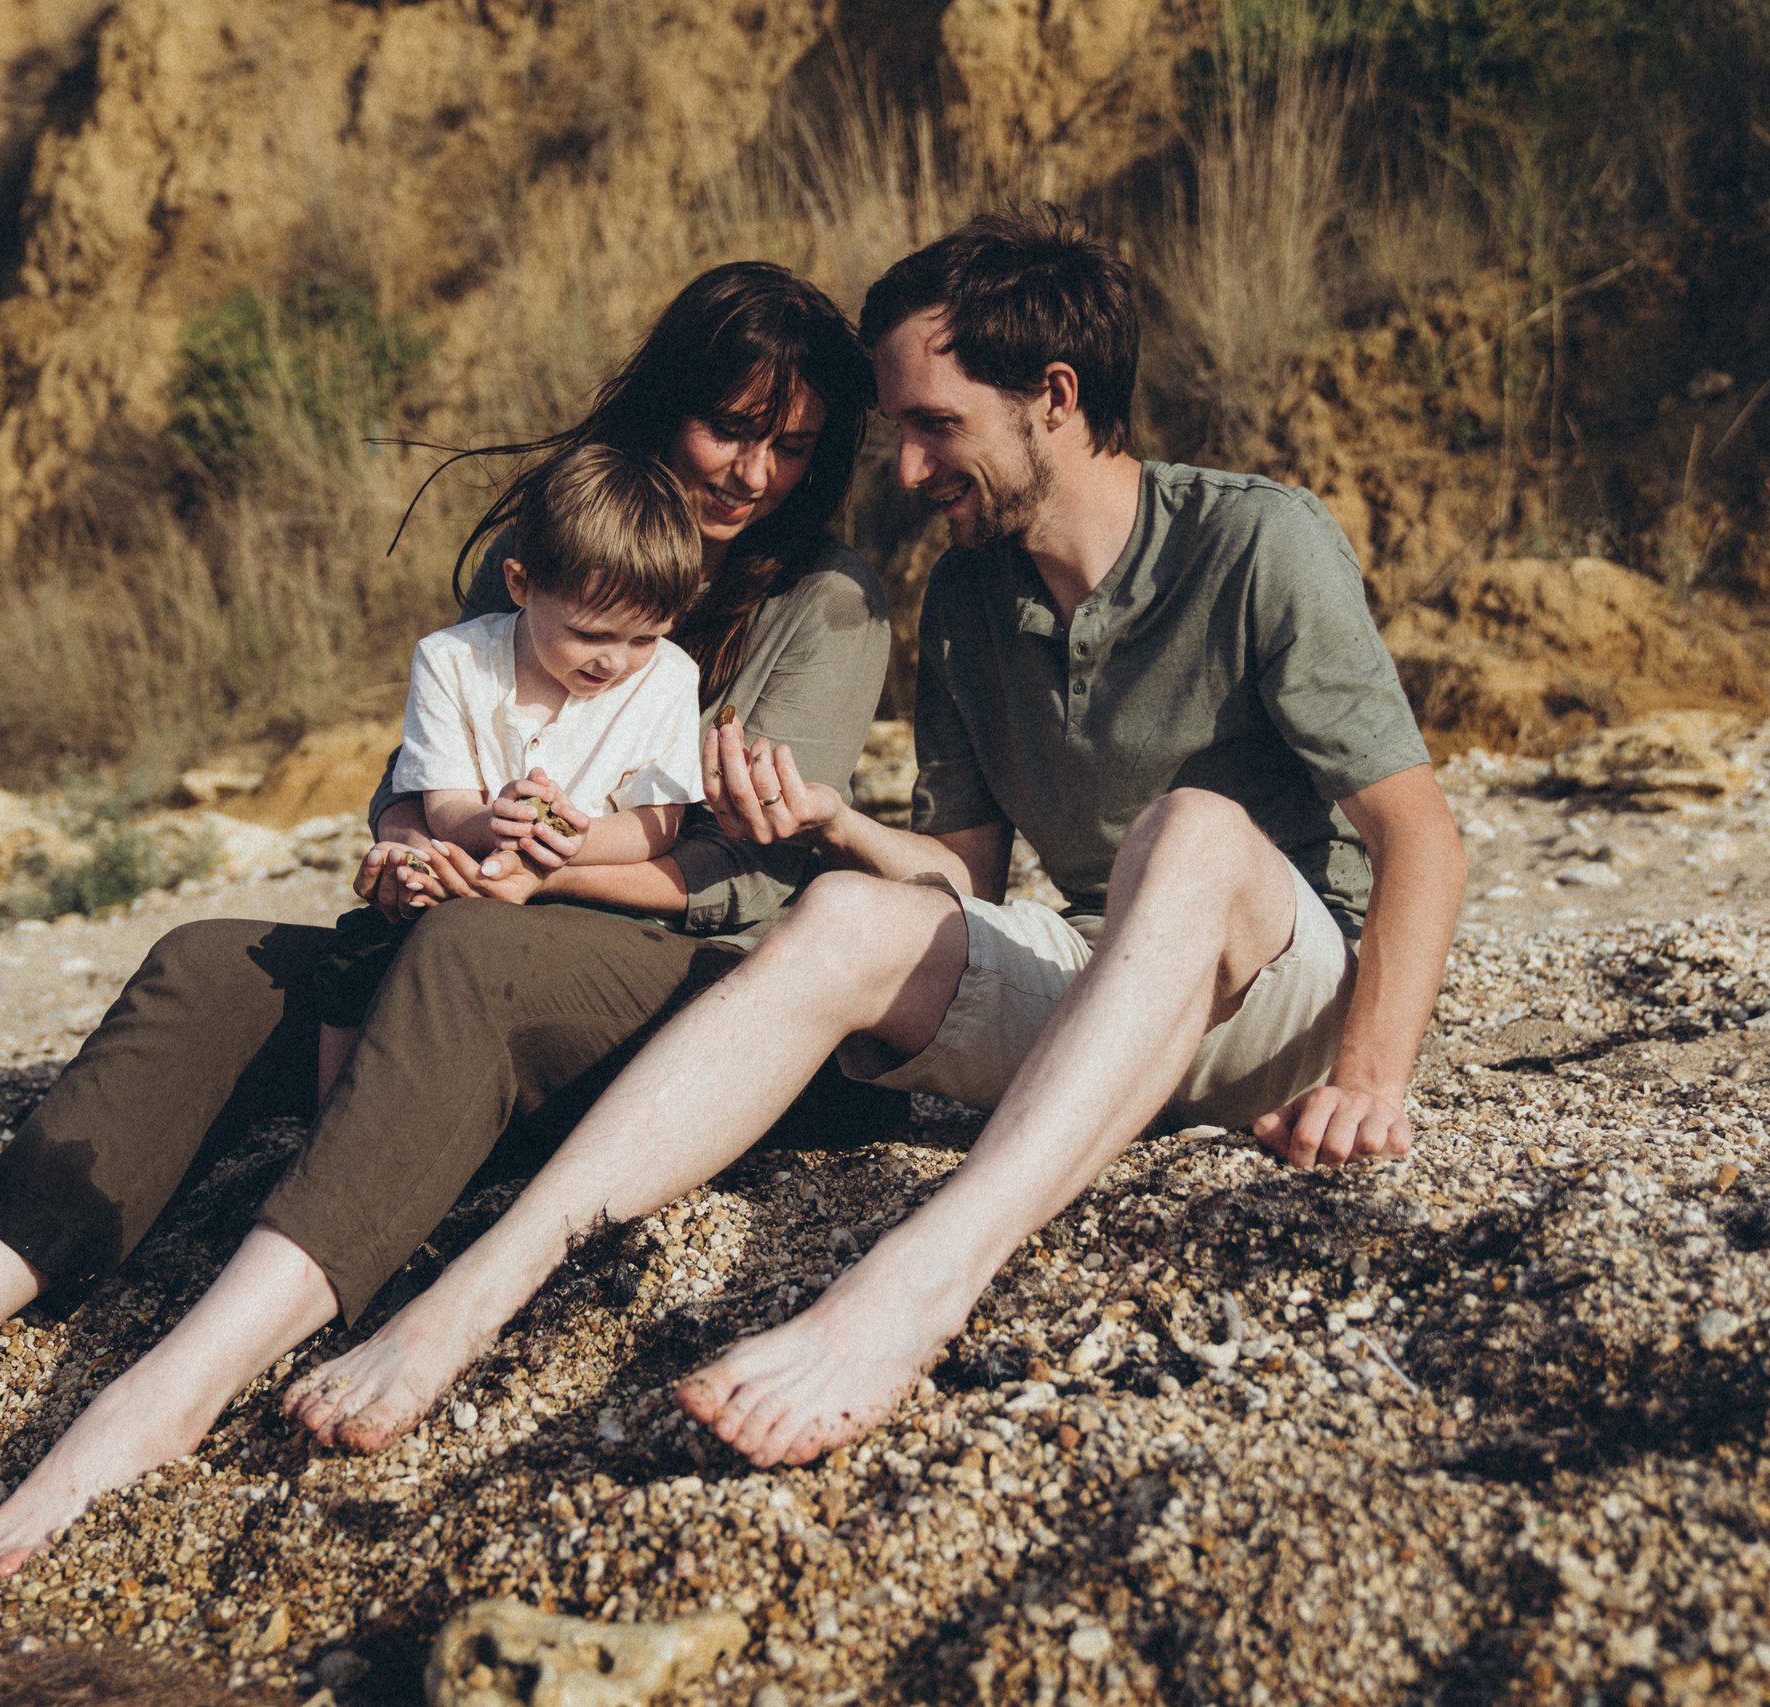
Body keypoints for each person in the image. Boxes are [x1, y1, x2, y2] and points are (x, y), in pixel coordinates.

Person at [0, 261, 896, 1586]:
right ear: (663, 409)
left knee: (473, 952)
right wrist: (409, 857)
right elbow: (415, 793)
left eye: (792, 446)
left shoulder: (826, 601)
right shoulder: (569, 541)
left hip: (692, 990)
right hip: (468, 934)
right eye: (731, 427)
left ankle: (171, 1388)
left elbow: (748, 873)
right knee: (205, 962)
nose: (756, 469)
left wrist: (534, 873)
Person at [281, 205, 1469, 1470]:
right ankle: (464, 1304)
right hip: (1104, 998)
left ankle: (913, 1287)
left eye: (932, 425)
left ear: (1052, 397)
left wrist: (1369, 1079)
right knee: (839, 915)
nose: (901, 470)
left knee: (1188, 829)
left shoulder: (1255, 542)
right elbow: (966, 884)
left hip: (1283, 998)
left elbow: (1421, 839)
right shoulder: (966, 594)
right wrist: (832, 825)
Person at [305, 443, 707, 1102]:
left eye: (643, 637)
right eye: (590, 634)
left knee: (500, 967)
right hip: (467, 867)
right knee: (358, 951)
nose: (616, 661)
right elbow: (445, 806)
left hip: (583, 897)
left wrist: (576, 843)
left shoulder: (668, 677)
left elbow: (657, 825)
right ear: (521, 584)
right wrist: (489, 823)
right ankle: (333, 1117)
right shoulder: (452, 661)